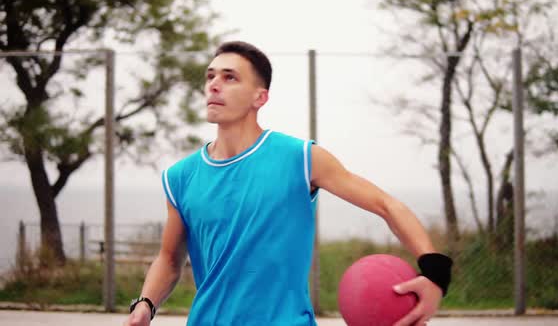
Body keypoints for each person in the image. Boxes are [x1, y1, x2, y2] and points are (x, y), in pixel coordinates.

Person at [123, 41, 452, 326]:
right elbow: (169, 259)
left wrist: (435, 272)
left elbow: (386, 205)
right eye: (210, 76)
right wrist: (145, 305)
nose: (213, 85)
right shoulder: (181, 176)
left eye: (229, 77)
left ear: (259, 97)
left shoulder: (300, 158)